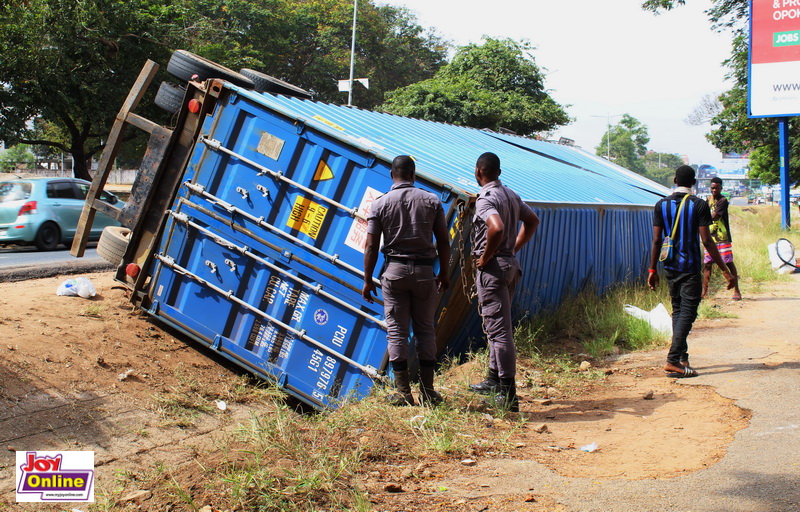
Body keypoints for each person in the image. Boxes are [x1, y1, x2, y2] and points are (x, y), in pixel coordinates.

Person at [362, 155, 451, 406]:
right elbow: (444, 241)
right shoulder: (432, 201)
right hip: (425, 274)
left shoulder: (379, 204)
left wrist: (367, 279)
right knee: (425, 331)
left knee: (397, 332)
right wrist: (443, 272)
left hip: (395, 273)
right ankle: (428, 392)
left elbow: (370, 245)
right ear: (413, 175)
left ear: (393, 175)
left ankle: (403, 393)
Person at [468, 152, 540, 411]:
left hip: (494, 269)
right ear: (498, 171)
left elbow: (495, 227)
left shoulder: (485, 199)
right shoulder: (511, 194)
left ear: (479, 172)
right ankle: (493, 379)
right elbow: (532, 221)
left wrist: (486, 257)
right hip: (510, 265)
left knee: (499, 332)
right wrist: (513, 249)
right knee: (497, 326)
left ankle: (509, 395)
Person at [648, 166, 736, 378]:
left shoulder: (661, 205)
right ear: (694, 183)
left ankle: (682, 357)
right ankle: (672, 360)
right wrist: (725, 270)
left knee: (679, 310)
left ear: (675, 179)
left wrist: (652, 270)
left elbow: (657, 240)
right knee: (688, 311)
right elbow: (706, 240)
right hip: (689, 267)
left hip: (669, 266)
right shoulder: (699, 205)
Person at [702, 177, 742, 300]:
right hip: (710, 237)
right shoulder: (707, 200)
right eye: (712, 188)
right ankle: (704, 292)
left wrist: (700, 221)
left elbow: (713, 216)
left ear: (721, 188)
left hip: (722, 237)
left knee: (728, 262)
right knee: (708, 264)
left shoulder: (723, 201)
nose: (714, 190)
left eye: (717, 188)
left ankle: (737, 290)